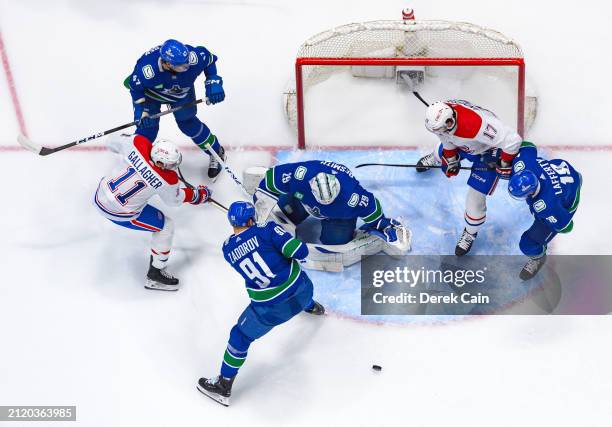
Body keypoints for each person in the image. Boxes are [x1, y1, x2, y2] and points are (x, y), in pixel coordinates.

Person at [197, 201, 324, 406]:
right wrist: (277, 233)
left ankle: (223, 384)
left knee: (240, 336)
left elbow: (251, 247)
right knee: (295, 285)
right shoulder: (268, 229)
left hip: (271, 309)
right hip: (303, 290)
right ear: (250, 219)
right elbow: (301, 252)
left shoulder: (227, 249)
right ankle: (310, 306)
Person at [94, 133, 212, 290]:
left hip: (99, 195)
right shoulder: (168, 179)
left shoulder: (137, 142)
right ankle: (155, 275)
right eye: (169, 165)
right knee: (166, 226)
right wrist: (199, 195)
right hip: (118, 212)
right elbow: (174, 201)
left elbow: (111, 142)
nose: (172, 168)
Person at [416, 99, 524, 256]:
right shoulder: (443, 121)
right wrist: (451, 160)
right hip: (467, 144)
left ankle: (470, 233)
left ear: (451, 118)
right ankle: (435, 158)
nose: (443, 131)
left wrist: (504, 162)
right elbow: (446, 138)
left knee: (474, 200)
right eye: (439, 129)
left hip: (490, 149)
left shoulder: (477, 125)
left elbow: (513, 140)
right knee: (441, 154)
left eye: (446, 127)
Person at [124, 39, 226, 180]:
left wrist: (213, 81)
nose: (187, 66)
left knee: (188, 124)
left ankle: (216, 152)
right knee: (147, 130)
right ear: (166, 63)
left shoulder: (192, 58)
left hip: (181, 94)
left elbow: (209, 59)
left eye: (187, 62)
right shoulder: (147, 70)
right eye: (181, 66)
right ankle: (137, 163)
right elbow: (135, 88)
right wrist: (141, 111)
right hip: (152, 96)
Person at [252, 160, 408, 247]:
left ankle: (339, 224)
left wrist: (383, 224)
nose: (325, 203)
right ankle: (301, 209)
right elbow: (271, 180)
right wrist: (260, 208)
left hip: (338, 216)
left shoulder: (352, 196)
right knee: (284, 212)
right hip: (305, 201)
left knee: (333, 242)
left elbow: (372, 208)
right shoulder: (301, 174)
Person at [508, 141, 582, 280]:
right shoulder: (524, 165)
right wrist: (505, 165)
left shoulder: (547, 206)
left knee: (528, 244)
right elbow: (527, 145)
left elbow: (566, 226)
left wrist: (546, 218)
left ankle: (538, 257)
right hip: (563, 172)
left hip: (570, 192)